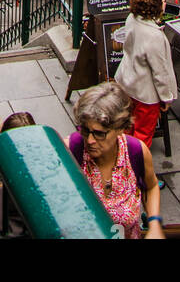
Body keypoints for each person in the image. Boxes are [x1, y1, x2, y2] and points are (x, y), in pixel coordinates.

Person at [70, 82, 164, 239]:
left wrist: (154, 223)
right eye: (86, 130)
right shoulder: (72, 150)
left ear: (121, 128)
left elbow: (151, 186)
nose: (90, 140)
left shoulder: (136, 151)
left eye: (99, 133)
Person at [113, 0, 177, 147]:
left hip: (126, 82)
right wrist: (166, 97)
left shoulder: (131, 19)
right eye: (162, 1)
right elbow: (159, 72)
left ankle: (122, 162)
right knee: (142, 135)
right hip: (145, 94)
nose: (164, 4)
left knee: (126, 129)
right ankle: (136, 166)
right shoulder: (154, 36)